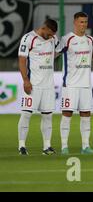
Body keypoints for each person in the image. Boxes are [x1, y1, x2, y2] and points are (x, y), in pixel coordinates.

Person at [17, 19, 59, 155]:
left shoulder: (53, 38)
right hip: (33, 84)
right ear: (44, 28)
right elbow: (22, 60)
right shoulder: (28, 38)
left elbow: (58, 50)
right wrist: (25, 80)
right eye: (50, 33)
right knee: (26, 114)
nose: (51, 36)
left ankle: (47, 146)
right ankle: (22, 146)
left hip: (48, 85)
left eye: (53, 34)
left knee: (47, 116)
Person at [57, 12, 93, 155]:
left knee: (86, 114)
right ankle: (64, 146)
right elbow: (54, 53)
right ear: (74, 22)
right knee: (67, 113)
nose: (84, 25)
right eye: (81, 22)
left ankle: (85, 146)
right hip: (71, 84)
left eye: (85, 22)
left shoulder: (90, 40)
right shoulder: (67, 39)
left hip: (86, 84)